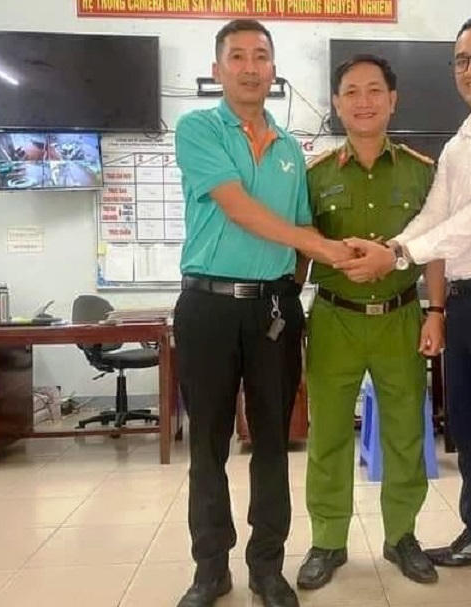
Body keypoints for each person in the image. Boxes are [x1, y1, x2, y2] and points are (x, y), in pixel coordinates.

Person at [335, 13, 471, 607]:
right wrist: (392, 246)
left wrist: (397, 254)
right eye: (462, 59)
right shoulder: (461, 141)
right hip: (464, 302)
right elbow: (436, 213)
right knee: (467, 427)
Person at [173, 19, 353, 607]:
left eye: (261, 56)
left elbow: (299, 232)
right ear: (218, 69)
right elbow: (238, 209)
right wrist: (324, 248)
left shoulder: (290, 151)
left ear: (273, 69)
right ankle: (210, 569)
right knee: (208, 444)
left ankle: (267, 567)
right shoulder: (198, 129)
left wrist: (292, 286)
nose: (250, 67)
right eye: (238, 56)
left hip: (274, 308)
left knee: (274, 441)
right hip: (208, 306)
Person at [295, 54, 446, 591]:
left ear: (392, 100)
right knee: (328, 435)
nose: (364, 101)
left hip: (400, 317)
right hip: (333, 320)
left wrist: (436, 312)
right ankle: (328, 540)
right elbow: (301, 253)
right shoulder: (314, 176)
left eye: (374, 90)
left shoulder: (422, 171)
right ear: (337, 104)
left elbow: (435, 248)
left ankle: (402, 536)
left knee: (406, 433)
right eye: (352, 92)